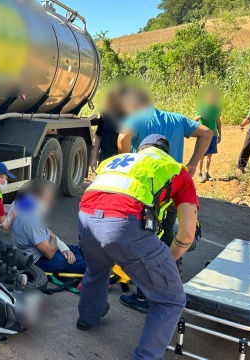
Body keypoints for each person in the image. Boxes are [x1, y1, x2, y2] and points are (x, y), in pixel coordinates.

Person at [77, 135, 199, 360]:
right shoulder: (175, 169)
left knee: (96, 270)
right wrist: (167, 261)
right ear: (166, 152)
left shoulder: (115, 161)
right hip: (125, 227)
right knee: (170, 298)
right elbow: (188, 233)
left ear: (140, 149)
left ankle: (87, 318)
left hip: (85, 220)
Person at [116, 85, 212, 313]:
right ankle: (169, 283)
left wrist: (127, 163)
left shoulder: (137, 117)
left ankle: (145, 295)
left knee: (145, 238)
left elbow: (123, 137)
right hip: (173, 188)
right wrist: (193, 163)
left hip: (146, 189)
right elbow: (207, 132)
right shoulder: (177, 118)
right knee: (168, 236)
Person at [11, 179, 86, 274]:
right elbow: (49, 253)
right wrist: (54, 239)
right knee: (82, 261)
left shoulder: (25, 209)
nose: (50, 203)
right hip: (37, 260)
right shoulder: (31, 220)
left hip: (42, 249)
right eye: (48, 199)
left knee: (79, 250)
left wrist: (64, 249)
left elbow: (47, 232)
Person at [89, 85, 126, 172]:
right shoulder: (105, 115)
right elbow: (98, 136)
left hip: (121, 157)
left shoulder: (129, 116)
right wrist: (94, 158)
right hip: (105, 156)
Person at [193, 89, 222, 183]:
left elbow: (218, 122)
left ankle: (207, 172)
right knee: (201, 155)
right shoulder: (202, 108)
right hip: (203, 135)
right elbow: (194, 120)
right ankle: (200, 174)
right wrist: (201, 115)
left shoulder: (217, 109)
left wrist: (220, 134)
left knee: (209, 155)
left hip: (213, 134)